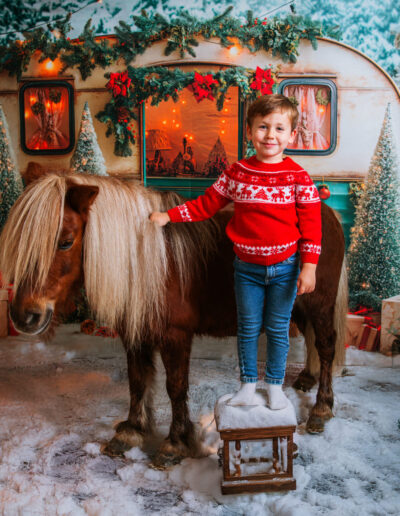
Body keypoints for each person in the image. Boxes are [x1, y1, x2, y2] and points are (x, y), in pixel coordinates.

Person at [150, 94, 321, 410]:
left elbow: (312, 227)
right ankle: (247, 384)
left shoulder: (298, 178)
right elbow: (206, 204)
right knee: (248, 328)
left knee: (278, 329)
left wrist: (308, 267)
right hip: (247, 269)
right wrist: (168, 215)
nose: (270, 135)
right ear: (249, 130)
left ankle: (273, 385)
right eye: (263, 127)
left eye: (279, 128)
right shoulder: (237, 173)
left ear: (291, 135)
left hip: (285, 268)